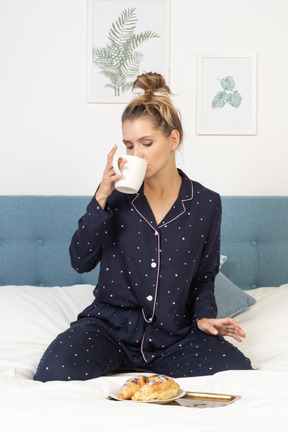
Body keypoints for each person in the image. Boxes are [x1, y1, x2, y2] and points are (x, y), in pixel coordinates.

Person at [34, 72, 252, 382]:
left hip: (174, 335)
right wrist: (101, 197)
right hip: (110, 328)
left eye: (146, 144)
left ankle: (148, 371)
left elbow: (204, 276)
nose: (135, 155)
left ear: (172, 140)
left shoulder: (206, 203)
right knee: (52, 373)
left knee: (240, 373)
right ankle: (123, 364)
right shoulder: (115, 196)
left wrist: (204, 317)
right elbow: (80, 261)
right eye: (129, 146)